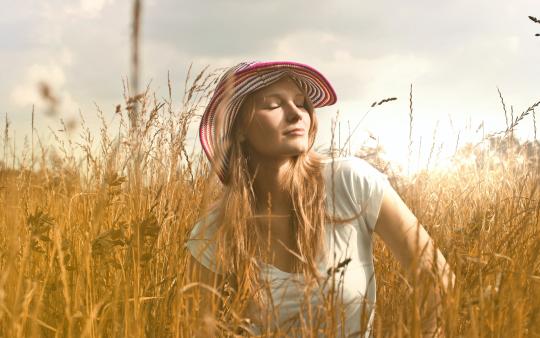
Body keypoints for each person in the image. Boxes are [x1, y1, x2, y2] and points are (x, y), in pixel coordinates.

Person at [184, 61, 454, 337]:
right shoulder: (214, 232)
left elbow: (436, 276)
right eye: (273, 105)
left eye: (301, 104)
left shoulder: (350, 181)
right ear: (239, 129)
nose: (295, 114)